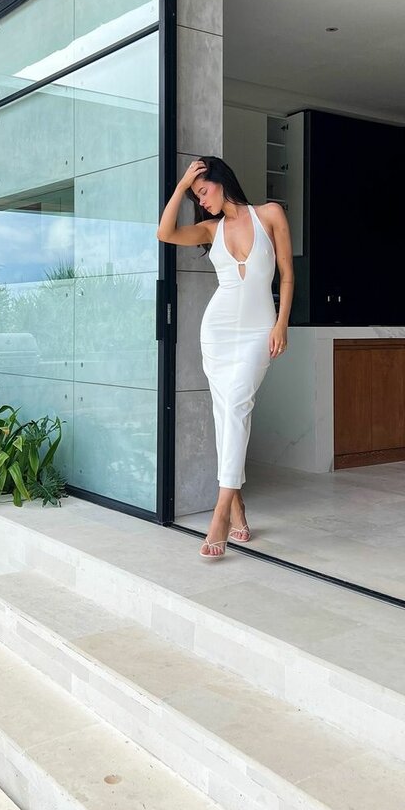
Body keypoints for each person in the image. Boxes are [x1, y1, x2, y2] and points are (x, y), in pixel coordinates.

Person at [157, 156, 294, 559]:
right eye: (196, 197)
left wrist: (281, 323)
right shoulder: (209, 229)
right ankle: (236, 505)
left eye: (203, 192)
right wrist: (182, 186)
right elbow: (164, 232)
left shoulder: (269, 214)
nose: (201, 201)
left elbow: (287, 273)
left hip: (258, 330)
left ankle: (218, 514)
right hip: (217, 332)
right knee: (224, 414)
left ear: (221, 181)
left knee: (236, 405)